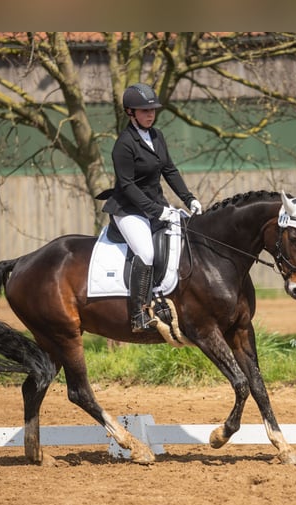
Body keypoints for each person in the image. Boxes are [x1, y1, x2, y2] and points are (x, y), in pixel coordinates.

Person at [99, 82, 202, 333]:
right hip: (128, 209)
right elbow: (128, 185)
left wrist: (188, 198)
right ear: (130, 113)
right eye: (144, 111)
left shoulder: (157, 136)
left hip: (155, 204)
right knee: (146, 253)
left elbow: (169, 170)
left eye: (153, 110)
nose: (150, 114)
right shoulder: (124, 144)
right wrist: (157, 211)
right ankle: (138, 315)